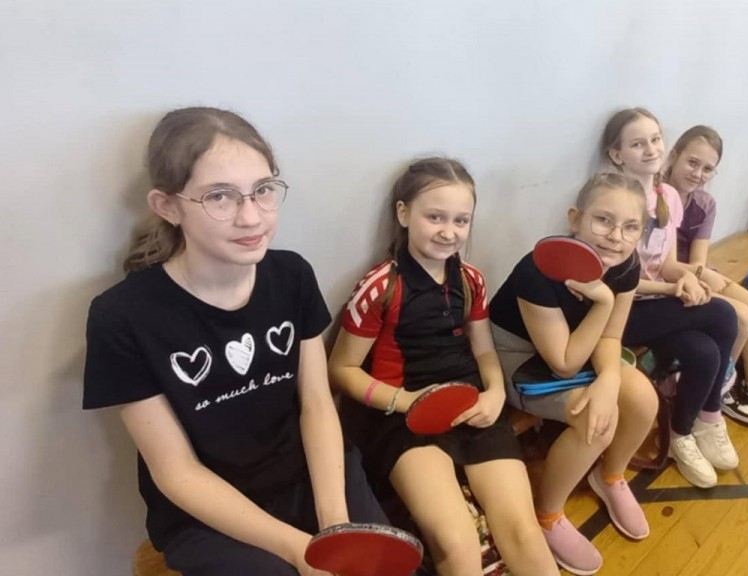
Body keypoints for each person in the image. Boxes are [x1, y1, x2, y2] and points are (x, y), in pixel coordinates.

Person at [83, 107, 389, 576]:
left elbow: (316, 405)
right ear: (167, 206)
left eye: (263, 190)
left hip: (310, 474)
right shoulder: (122, 316)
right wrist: (300, 550)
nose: (251, 217)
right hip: (207, 515)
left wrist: (335, 526)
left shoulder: (292, 275)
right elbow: (176, 471)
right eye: (219, 197)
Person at [328, 157, 558, 576]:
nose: (449, 231)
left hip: (470, 405)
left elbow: (484, 353)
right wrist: (407, 402)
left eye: (460, 220)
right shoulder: (380, 286)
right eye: (435, 217)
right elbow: (341, 369)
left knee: (524, 533)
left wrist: (494, 394)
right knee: (457, 543)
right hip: (401, 417)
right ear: (403, 214)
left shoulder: (471, 280)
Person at [490, 172, 659, 575]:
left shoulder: (625, 264)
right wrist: (602, 304)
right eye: (603, 220)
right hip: (517, 358)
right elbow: (562, 363)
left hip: (581, 345)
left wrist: (609, 381)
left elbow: (611, 336)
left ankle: (610, 476)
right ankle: (548, 516)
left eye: (630, 227)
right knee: (595, 420)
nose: (615, 236)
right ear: (575, 218)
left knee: (642, 398)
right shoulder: (538, 270)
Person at [601, 107, 740, 489]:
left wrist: (689, 279)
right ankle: (711, 413)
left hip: (658, 306)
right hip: (621, 313)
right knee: (724, 316)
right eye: (637, 144)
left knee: (705, 352)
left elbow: (667, 264)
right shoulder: (615, 201)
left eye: (655, 140)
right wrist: (671, 289)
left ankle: (682, 433)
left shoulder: (668, 197)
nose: (650, 149)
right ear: (617, 154)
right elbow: (618, 281)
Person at [664, 125, 748, 432]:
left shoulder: (704, 204)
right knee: (740, 316)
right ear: (674, 156)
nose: (698, 173)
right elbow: (663, 262)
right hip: (671, 278)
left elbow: (698, 259)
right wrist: (701, 276)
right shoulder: (658, 197)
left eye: (707, 168)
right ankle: (718, 391)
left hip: (696, 272)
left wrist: (703, 274)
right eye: (692, 162)